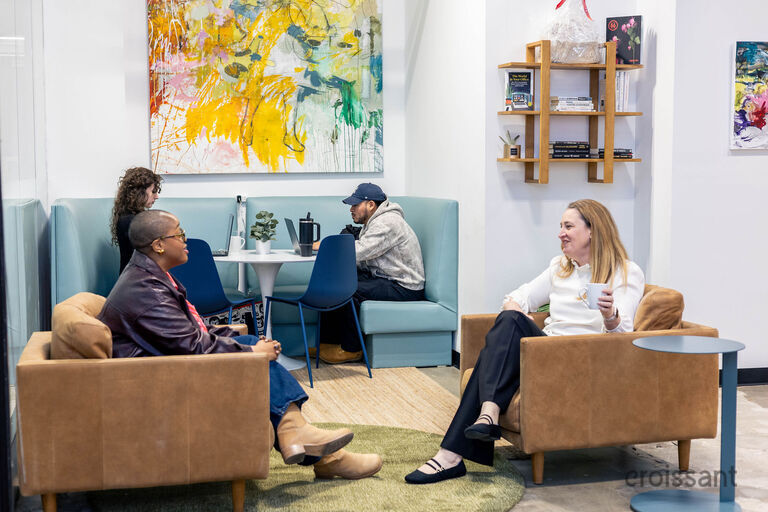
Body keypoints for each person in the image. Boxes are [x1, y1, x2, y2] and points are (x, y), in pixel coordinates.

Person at [98, 209, 383, 480]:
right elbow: (191, 346)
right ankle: (314, 448)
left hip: (161, 367)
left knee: (249, 343)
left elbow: (184, 333)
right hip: (156, 383)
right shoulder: (148, 292)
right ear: (159, 245)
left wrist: (237, 340)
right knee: (255, 358)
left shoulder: (148, 278)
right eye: (180, 234)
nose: (186, 241)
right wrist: (250, 352)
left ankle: (301, 438)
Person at [405, 199, 645, 484]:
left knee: (500, 340)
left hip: (584, 360)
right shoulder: (560, 267)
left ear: (592, 231)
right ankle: (484, 419)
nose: (561, 233)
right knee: (509, 318)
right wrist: (513, 311)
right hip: (544, 353)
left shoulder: (626, 272)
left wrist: (610, 315)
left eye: (568, 226)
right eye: (560, 226)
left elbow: (624, 339)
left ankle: (452, 453)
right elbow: (518, 297)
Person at [314, 183, 426, 364]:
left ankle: (352, 349)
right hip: (386, 278)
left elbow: (361, 251)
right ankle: (328, 344)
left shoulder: (387, 223)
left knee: (348, 289)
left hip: (404, 285)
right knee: (333, 283)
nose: (351, 209)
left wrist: (327, 246)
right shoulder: (374, 221)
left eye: (355, 205)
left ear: (371, 205)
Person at [110, 166, 163, 273]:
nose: (156, 196)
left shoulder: (133, 218)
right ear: (140, 192)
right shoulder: (131, 221)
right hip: (135, 283)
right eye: (153, 191)